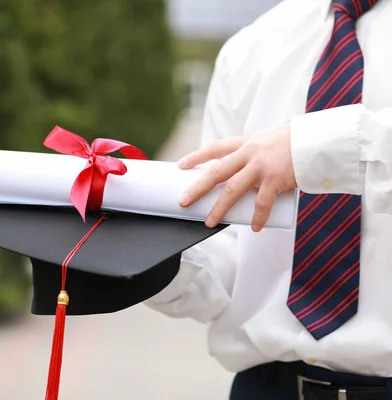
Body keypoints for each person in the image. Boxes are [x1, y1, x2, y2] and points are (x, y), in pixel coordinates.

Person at [144, 0, 392, 398]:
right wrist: (139, 260)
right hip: (267, 387)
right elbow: (227, 256)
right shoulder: (252, 46)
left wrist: (315, 150)